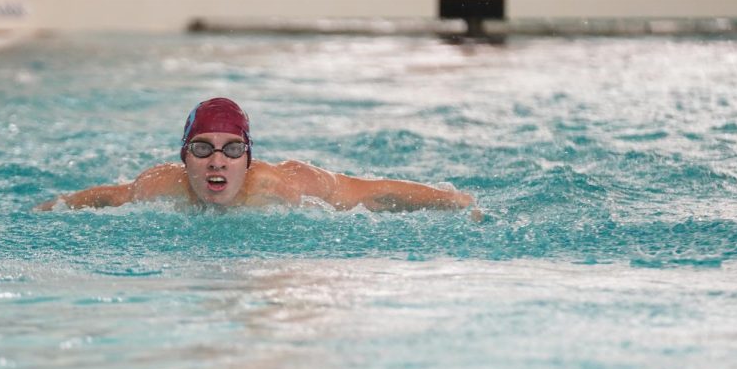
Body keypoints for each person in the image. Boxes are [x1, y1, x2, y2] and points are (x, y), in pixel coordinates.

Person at [36, 98, 480, 214]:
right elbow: (106, 197)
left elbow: (371, 193)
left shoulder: (281, 185)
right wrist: (45, 210)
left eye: (232, 150)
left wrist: (450, 199)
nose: (217, 161)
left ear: (248, 160)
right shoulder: (159, 186)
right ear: (184, 157)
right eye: (202, 148)